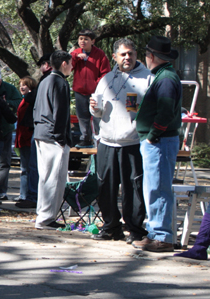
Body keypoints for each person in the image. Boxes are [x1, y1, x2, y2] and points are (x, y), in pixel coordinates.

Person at [89, 39, 151, 243]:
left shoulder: (147, 79)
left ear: (136, 55)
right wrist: (94, 108)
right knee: (105, 186)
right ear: (114, 56)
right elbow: (97, 111)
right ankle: (111, 227)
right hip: (107, 141)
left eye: (131, 53)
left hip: (132, 142)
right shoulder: (106, 79)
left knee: (133, 188)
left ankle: (135, 229)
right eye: (123, 54)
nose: (127, 58)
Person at [133, 36, 182, 253]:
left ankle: (162, 236)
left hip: (160, 141)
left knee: (158, 187)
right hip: (158, 140)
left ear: (151, 56)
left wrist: (153, 135)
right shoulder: (163, 76)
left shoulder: (166, 79)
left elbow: (166, 111)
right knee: (153, 187)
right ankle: (155, 233)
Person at [33, 50, 73, 230]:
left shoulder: (44, 81)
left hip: (41, 132)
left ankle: (42, 213)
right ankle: (46, 217)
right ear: (64, 63)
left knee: (45, 176)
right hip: (53, 135)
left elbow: (36, 109)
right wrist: (61, 138)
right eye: (70, 63)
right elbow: (61, 113)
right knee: (55, 178)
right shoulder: (59, 82)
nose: (72, 67)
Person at [70, 29, 111, 148]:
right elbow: (68, 67)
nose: (83, 41)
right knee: (82, 116)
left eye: (86, 39)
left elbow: (105, 73)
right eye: (80, 39)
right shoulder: (75, 53)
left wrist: (96, 84)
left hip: (95, 92)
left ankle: (100, 138)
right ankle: (85, 139)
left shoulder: (100, 54)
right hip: (79, 91)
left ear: (92, 41)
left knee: (97, 115)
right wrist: (76, 57)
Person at [0, 65, 21, 200]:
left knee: (4, 162)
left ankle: (1, 191)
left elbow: (19, 103)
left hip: (5, 129)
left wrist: (8, 103)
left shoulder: (10, 89)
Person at [14, 76, 38, 209]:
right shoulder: (23, 100)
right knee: (24, 169)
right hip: (21, 138)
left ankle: (29, 195)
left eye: (25, 85)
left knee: (29, 168)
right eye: (21, 85)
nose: (22, 87)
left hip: (28, 139)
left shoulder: (31, 100)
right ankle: (23, 195)